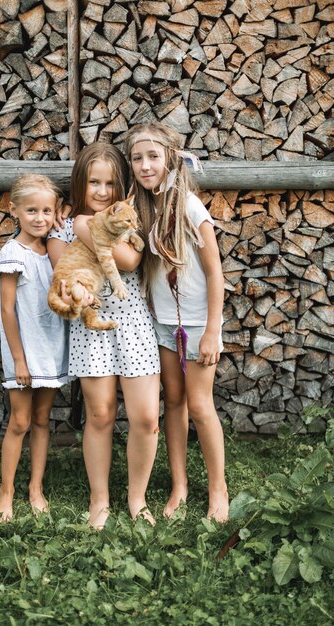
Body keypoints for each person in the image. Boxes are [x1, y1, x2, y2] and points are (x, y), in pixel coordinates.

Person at [47, 143, 161, 529]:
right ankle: (100, 500)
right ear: (81, 183)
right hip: (91, 325)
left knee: (146, 418)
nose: (101, 191)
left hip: (132, 322)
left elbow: (129, 260)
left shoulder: (126, 219)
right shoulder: (63, 227)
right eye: (93, 182)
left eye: (110, 183)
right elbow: (62, 272)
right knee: (100, 414)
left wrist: (89, 228)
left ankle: (137, 498)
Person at [124, 121, 229, 522]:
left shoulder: (188, 205)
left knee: (201, 405)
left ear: (170, 157)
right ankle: (179, 485)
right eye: (137, 158)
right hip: (163, 324)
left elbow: (214, 271)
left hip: (198, 324)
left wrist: (212, 331)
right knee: (174, 403)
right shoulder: (144, 206)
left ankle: (218, 488)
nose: (146, 165)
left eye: (153, 156)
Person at [0, 174, 71, 522]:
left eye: (46, 211)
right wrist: (19, 359)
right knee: (20, 421)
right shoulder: (13, 253)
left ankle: (35, 488)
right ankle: (5, 492)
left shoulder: (53, 252)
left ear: (56, 213)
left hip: (51, 347)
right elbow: (7, 309)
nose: (39, 218)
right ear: (14, 211)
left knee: (42, 419)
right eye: (31, 211)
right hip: (24, 352)